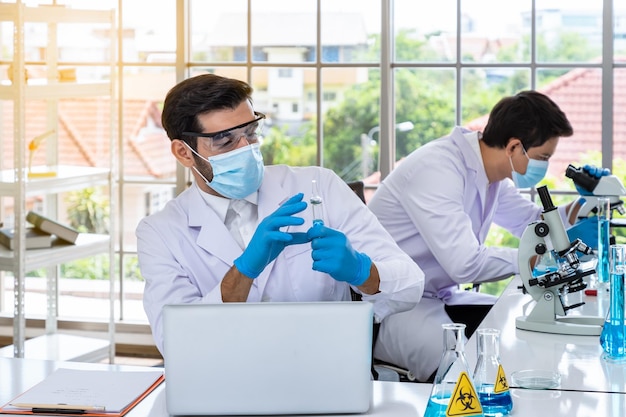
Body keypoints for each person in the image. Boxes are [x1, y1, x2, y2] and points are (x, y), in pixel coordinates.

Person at [136, 73, 425, 356]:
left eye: (250, 133)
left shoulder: (319, 185)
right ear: (184, 153)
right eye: (225, 142)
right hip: (228, 384)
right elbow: (175, 342)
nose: (246, 149)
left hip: (325, 373)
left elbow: (410, 284)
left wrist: (363, 271)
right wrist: (244, 270)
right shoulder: (160, 232)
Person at [368, 90, 606, 382]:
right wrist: (541, 258)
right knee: (466, 377)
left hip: (435, 295)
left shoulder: (489, 173)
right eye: (543, 157)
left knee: (514, 330)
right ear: (515, 146)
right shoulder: (438, 169)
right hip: (392, 307)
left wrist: (582, 207)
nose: (545, 166)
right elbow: (465, 264)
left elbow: (532, 223)